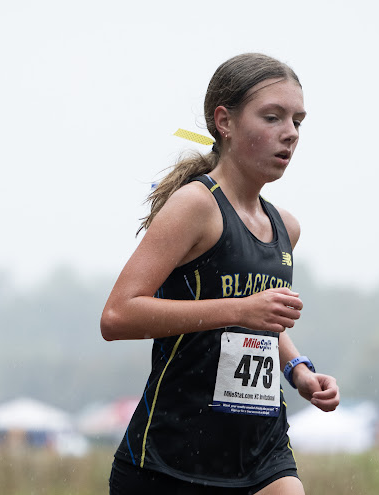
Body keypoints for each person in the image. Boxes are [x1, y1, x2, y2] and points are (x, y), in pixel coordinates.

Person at [100, 53, 340, 494]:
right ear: (224, 122)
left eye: (297, 121)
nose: (289, 133)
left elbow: (263, 321)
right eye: (272, 117)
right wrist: (241, 309)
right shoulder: (196, 206)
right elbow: (117, 317)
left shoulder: (286, 227)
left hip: (261, 453)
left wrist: (299, 370)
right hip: (171, 460)